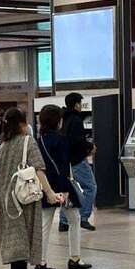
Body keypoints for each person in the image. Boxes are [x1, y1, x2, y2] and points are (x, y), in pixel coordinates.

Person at [0, 107, 62, 269]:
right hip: (25, 199)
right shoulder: (28, 142)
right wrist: (49, 192)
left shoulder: (3, 146)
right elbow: (39, 169)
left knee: (14, 236)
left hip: (7, 200)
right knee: (25, 234)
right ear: (22, 124)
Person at [36, 104, 92, 269]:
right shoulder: (61, 140)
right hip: (62, 185)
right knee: (74, 219)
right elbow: (65, 163)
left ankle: (41, 262)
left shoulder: (39, 140)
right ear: (57, 121)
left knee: (45, 224)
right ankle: (75, 258)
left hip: (45, 185)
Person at [61, 93, 97, 231]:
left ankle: (64, 221)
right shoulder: (76, 120)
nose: (81, 106)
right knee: (90, 187)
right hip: (77, 160)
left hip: (65, 161)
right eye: (80, 104)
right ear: (76, 104)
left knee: (68, 190)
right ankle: (83, 217)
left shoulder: (63, 119)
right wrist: (90, 147)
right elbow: (77, 141)